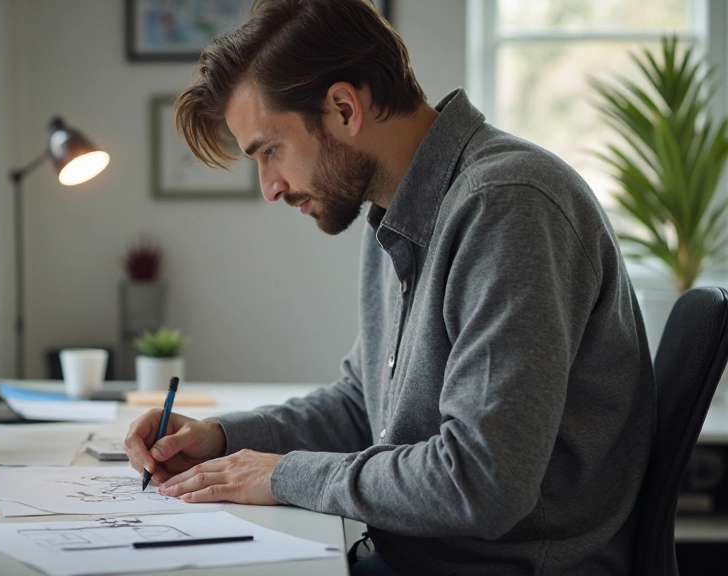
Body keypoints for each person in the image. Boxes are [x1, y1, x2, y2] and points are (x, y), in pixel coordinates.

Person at [123, 0, 655, 573]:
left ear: (344, 107)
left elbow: (481, 482)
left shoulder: (507, 205)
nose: (270, 188)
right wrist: (221, 438)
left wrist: (278, 475)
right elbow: (363, 408)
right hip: (417, 553)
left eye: (269, 150)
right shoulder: (399, 213)